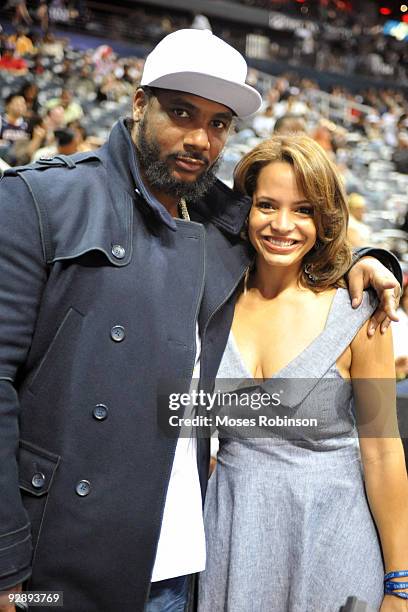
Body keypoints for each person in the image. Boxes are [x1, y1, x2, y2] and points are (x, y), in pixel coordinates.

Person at [0, 29, 402, 612]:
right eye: (181, 112)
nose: (199, 138)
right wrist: (9, 571)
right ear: (138, 104)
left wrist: (370, 261)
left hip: (189, 564)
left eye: (218, 124)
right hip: (62, 567)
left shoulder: (217, 231)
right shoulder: (42, 200)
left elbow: (289, 232)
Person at [198, 136, 408, 612]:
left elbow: (382, 454)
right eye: (267, 205)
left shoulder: (358, 311)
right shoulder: (211, 301)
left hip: (332, 540)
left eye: (305, 210)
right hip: (229, 536)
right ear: (245, 208)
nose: (282, 225)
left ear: (325, 219)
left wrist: (401, 585)